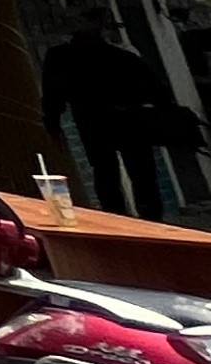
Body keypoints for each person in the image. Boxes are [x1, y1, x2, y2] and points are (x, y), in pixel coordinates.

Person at [41, 15, 171, 219]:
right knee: (132, 173)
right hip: (122, 120)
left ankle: (121, 218)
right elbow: (157, 91)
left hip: (96, 120)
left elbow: (52, 93)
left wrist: (53, 123)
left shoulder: (61, 57)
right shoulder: (121, 57)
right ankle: (145, 219)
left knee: (110, 172)